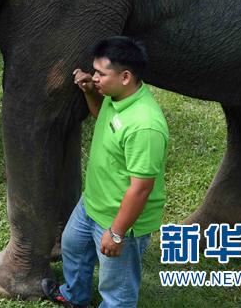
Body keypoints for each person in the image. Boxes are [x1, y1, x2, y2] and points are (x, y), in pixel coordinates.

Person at [43, 37, 168, 308]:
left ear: (125, 76)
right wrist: (90, 91)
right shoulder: (117, 97)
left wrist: (117, 233)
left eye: (100, 73)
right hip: (93, 202)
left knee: (117, 287)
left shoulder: (145, 125)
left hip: (120, 218)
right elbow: (104, 118)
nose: (94, 77)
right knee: (73, 247)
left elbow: (141, 187)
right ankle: (75, 296)